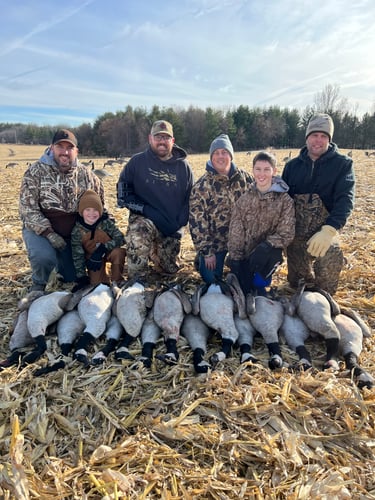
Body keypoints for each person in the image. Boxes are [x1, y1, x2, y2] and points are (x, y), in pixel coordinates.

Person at [19, 129, 104, 292]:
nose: (65, 152)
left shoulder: (87, 176)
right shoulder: (35, 172)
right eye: (60, 147)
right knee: (44, 258)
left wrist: (101, 231)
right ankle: (39, 282)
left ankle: (63, 266)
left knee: (72, 279)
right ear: (52, 148)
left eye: (69, 148)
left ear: (76, 151)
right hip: (42, 230)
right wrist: (48, 233)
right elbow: (27, 209)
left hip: (72, 234)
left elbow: (101, 206)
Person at [282, 113, 355, 295]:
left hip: (324, 233)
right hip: (296, 237)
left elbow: (345, 200)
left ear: (329, 140)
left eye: (324, 136)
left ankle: (325, 294)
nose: (318, 140)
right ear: (307, 137)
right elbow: (283, 202)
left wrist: (329, 230)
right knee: (297, 287)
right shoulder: (292, 167)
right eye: (314, 135)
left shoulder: (343, 165)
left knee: (331, 257)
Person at [117, 120, 194, 278]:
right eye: (158, 137)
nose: (161, 141)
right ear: (150, 138)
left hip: (170, 225)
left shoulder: (183, 167)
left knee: (169, 269)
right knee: (138, 233)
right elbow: (123, 194)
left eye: (166, 137)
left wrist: (180, 224)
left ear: (172, 141)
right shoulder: (137, 162)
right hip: (145, 220)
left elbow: (190, 197)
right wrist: (146, 210)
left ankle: (156, 253)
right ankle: (138, 278)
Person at [228, 151, 295, 295]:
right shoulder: (244, 200)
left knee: (266, 268)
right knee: (242, 286)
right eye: (258, 169)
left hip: (267, 252)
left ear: (274, 171)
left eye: (266, 169)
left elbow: (287, 233)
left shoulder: (284, 201)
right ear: (253, 170)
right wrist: (236, 259)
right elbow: (236, 232)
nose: (261, 174)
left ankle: (261, 283)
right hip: (247, 253)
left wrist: (267, 245)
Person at [189, 133, 253, 284]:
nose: (220, 156)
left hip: (241, 241)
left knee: (247, 277)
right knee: (211, 279)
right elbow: (197, 223)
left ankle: (234, 262)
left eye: (224, 152)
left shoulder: (246, 179)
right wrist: (207, 252)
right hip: (215, 244)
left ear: (231, 155)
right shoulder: (201, 186)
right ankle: (202, 260)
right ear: (211, 157)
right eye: (216, 153)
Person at [70, 190, 126, 290]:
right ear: (81, 211)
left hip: (108, 252)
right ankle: (104, 281)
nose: (92, 213)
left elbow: (120, 238)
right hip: (93, 260)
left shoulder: (106, 223)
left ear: (100, 211)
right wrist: (81, 277)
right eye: (88, 210)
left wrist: (103, 249)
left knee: (119, 253)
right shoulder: (77, 231)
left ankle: (118, 282)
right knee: (98, 286)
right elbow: (77, 255)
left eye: (95, 210)